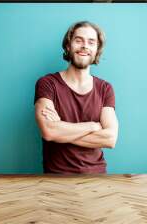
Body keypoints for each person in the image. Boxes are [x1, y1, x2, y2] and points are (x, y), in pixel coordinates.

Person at [34, 21, 119, 174]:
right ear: (68, 46)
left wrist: (61, 131)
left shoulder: (105, 89)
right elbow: (49, 131)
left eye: (91, 42)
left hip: (97, 176)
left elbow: (110, 138)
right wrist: (93, 126)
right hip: (56, 177)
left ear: (97, 49)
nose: (85, 46)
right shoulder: (47, 84)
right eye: (78, 40)